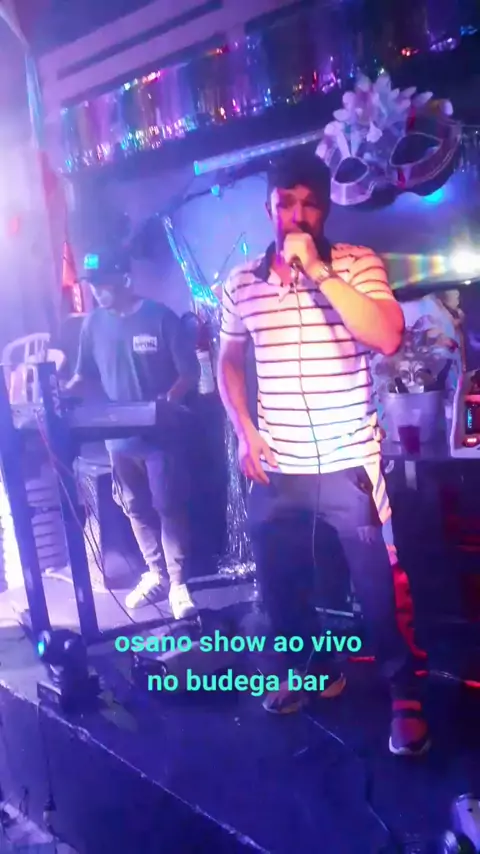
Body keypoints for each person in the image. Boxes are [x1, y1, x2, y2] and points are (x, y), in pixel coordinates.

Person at [217, 151, 430, 756]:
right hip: (277, 464)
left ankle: (404, 695)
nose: (297, 215)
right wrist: (244, 429)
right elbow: (228, 359)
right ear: (269, 207)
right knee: (280, 586)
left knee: (378, 588)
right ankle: (312, 671)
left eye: (310, 204)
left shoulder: (357, 264)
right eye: (286, 202)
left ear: (327, 208)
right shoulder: (241, 282)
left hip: (348, 463)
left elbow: (386, 335)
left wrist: (317, 272)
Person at [66, 252, 199, 618]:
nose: (97, 291)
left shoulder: (160, 317)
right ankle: (156, 573)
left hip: (161, 437)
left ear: (124, 279)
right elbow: (83, 376)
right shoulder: (93, 325)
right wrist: (58, 394)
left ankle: (178, 583)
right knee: (135, 507)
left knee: (168, 506)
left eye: (102, 283)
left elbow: (189, 373)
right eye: (92, 285)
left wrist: (166, 401)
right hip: (119, 439)